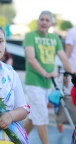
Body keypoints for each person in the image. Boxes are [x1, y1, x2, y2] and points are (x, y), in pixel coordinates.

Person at [23, 10, 73, 144]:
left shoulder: (54, 38)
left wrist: (73, 73)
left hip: (47, 85)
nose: (44, 22)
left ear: (51, 23)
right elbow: (31, 59)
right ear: (38, 21)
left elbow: (63, 58)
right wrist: (45, 73)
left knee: (35, 117)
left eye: (47, 20)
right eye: (42, 19)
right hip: (34, 83)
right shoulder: (30, 36)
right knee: (42, 118)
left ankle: (16, 140)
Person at [55, 26, 76, 132]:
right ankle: (60, 119)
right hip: (72, 72)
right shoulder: (72, 32)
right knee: (68, 98)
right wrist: (65, 75)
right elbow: (66, 55)